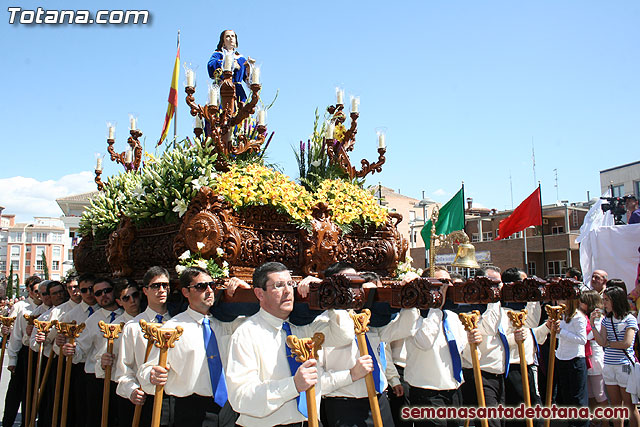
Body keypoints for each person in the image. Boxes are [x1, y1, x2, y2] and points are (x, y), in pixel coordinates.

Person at [226, 261, 355, 426]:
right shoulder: (246, 333)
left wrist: (327, 296)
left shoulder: (303, 327)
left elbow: (343, 336)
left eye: (290, 284)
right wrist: (293, 385)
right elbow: (240, 397)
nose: (288, 291)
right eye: (278, 285)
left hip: (310, 421)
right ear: (260, 294)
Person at [141, 267, 249, 426]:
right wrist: (152, 374)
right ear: (185, 292)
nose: (209, 291)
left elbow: (259, 320)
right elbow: (147, 369)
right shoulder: (171, 329)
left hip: (229, 407)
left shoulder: (227, 323)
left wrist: (246, 293)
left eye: (211, 285)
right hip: (191, 409)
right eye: (201, 287)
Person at [115, 266, 173, 427]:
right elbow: (124, 370)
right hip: (149, 396)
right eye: (155, 286)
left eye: (165, 285)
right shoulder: (133, 327)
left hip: (179, 399)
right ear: (145, 291)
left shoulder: (179, 322)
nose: (161, 290)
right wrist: (132, 390)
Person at [62, 277, 123, 425]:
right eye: (98, 293)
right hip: (97, 379)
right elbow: (80, 350)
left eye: (107, 291)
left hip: (121, 377)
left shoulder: (126, 316)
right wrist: (70, 350)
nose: (104, 295)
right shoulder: (92, 321)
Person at [590, 285, 640, 427]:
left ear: (616, 301)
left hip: (624, 366)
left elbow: (626, 343)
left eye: (606, 300)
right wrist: (593, 325)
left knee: (630, 406)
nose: (604, 303)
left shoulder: (629, 319)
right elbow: (601, 341)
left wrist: (608, 344)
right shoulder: (607, 320)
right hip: (609, 365)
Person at [96, 278, 142, 426]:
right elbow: (99, 362)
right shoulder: (113, 327)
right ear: (119, 301)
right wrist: (103, 363)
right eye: (126, 298)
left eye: (135, 295)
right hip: (126, 389)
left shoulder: (154, 321)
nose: (132, 301)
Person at [56, 273, 100, 426]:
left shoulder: (105, 311)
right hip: (79, 367)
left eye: (91, 289)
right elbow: (59, 344)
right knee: (81, 408)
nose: (88, 294)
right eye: (84, 290)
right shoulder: (70, 315)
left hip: (101, 366)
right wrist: (60, 344)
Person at [3, 275, 41, 427]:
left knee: (31, 392)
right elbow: (16, 336)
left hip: (40, 352)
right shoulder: (22, 308)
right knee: (16, 390)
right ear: (30, 291)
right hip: (25, 352)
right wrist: (12, 359)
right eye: (36, 291)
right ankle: (7, 422)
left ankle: (28, 421)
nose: (39, 295)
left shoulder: (48, 308)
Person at [30, 280, 68, 426]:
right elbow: (33, 341)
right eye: (54, 293)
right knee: (50, 398)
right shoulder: (46, 316)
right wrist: (41, 339)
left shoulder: (70, 309)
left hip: (69, 360)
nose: (58, 295)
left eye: (60, 292)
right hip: (50, 361)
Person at [552, 298, 588, 427]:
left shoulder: (578, 317)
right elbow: (558, 337)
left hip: (575, 359)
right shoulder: (560, 315)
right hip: (562, 357)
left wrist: (562, 331)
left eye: (563, 299)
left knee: (578, 398)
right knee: (566, 396)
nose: (559, 302)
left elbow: (582, 339)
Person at [579, 290, 608, 426]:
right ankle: (594, 422)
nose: (580, 303)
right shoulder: (582, 316)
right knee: (589, 395)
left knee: (600, 395)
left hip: (595, 359)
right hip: (585, 359)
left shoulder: (598, 317)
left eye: (583, 301)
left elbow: (590, 335)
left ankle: (606, 423)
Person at [207, 29, 254, 103]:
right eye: (227, 36)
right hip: (223, 89)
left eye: (233, 36)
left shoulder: (241, 59)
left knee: (241, 111)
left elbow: (249, 81)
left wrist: (250, 68)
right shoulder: (218, 54)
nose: (231, 38)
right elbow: (211, 66)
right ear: (223, 41)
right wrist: (229, 63)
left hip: (238, 92)